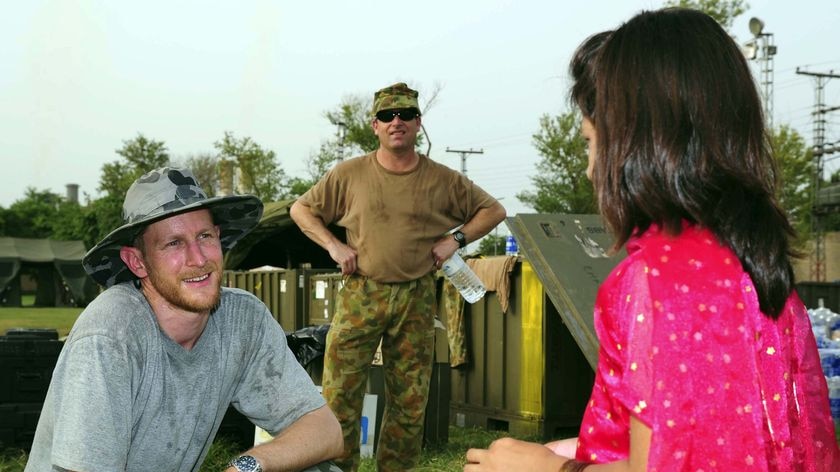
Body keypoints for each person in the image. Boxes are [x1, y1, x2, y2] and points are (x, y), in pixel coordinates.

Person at [465, 8, 840, 472]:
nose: (588, 168)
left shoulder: (656, 284)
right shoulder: (751, 261)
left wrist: (545, 469)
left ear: (633, 143)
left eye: (589, 142)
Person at [26, 167, 343, 472]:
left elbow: (325, 432)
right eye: (174, 243)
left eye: (205, 236)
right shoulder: (111, 334)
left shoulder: (243, 320)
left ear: (219, 237)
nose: (199, 258)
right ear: (137, 261)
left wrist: (246, 466)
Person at [290, 82, 507, 471]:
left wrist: (454, 239)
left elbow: (493, 210)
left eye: (406, 115)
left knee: (409, 403)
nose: (397, 122)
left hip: (416, 297)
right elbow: (301, 210)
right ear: (375, 125)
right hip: (362, 293)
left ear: (418, 123)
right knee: (339, 397)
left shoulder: (442, 179)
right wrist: (334, 246)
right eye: (388, 116)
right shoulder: (349, 174)